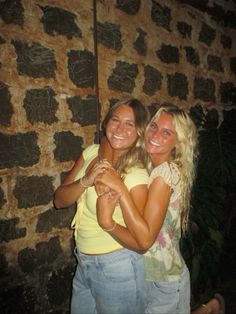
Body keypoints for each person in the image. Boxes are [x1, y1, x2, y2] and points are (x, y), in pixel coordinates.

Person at [95, 104, 198, 314]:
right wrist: (105, 163)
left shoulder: (164, 174)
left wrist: (118, 196)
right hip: (147, 273)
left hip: (165, 279)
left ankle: (209, 307)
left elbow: (144, 241)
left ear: (178, 143)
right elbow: (106, 139)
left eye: (167, 132)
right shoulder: (150, 163)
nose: (155, 135)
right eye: (153, 126)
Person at [53, 97, 150, 314]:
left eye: (129, 124)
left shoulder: (135, 175)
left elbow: (141, 242)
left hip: (117, 266)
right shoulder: (91, 153)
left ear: (139, 133)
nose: (119, 128)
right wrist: (85, 181)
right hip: (84, 262)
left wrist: (107, 224)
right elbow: (59, 200)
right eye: (115, 120)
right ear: (106, 123)